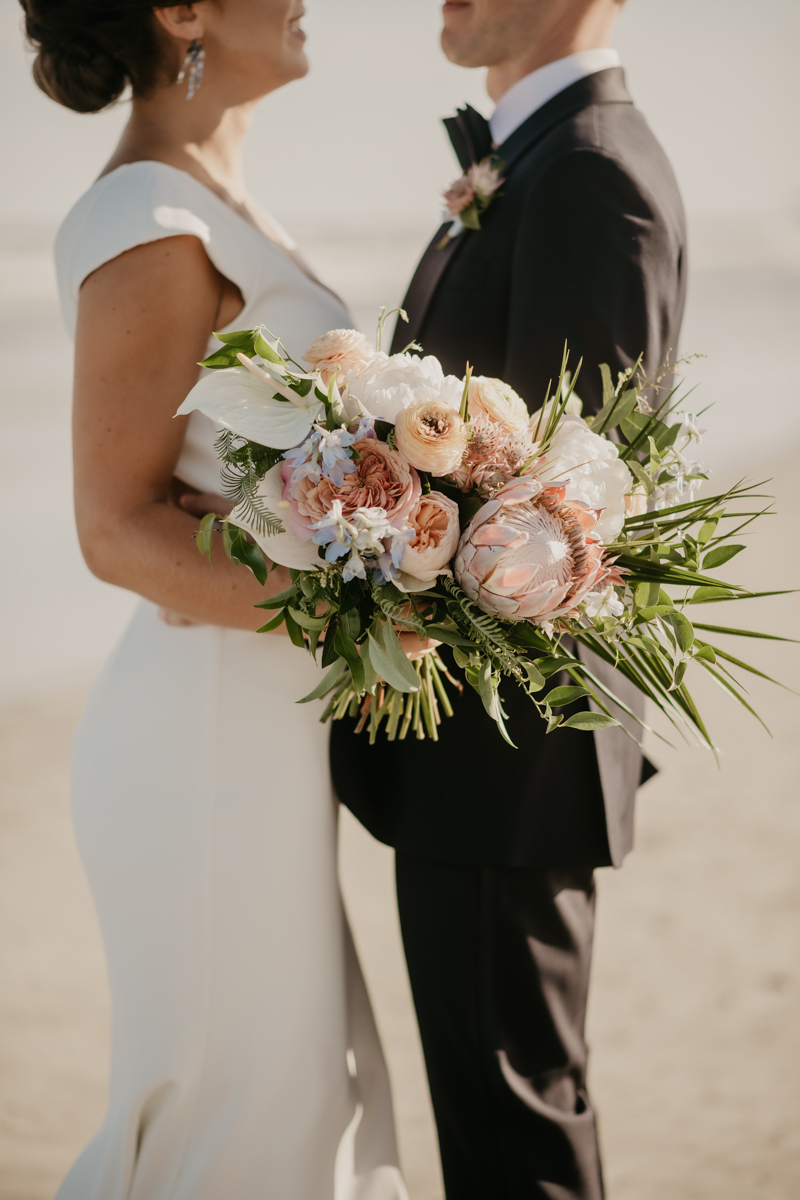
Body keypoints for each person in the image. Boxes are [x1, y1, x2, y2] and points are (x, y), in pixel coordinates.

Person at [21, 2, 407, 1197]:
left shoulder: (215, 200)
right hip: (202, 741)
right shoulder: (146, 216)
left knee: (296, 1101)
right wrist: (372, 614)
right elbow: (115, 525)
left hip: (259, 730)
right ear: (181, 10)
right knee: (241, 1120)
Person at [330, 0, 687, 1196]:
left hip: (506, 747)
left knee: (511, 1134)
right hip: (482, 754)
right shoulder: (540, 157)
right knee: (500, 1118)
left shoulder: (590, 171)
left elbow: (569, 506)